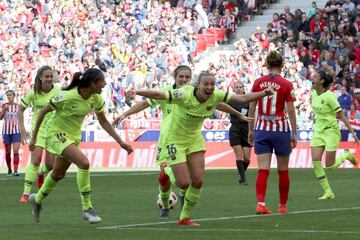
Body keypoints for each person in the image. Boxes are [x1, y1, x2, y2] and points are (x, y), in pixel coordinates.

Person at [128, 71, 274, 226]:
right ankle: (166, 170)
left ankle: (184, 217)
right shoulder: (184, 94)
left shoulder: (215, 95)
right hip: (175, 141)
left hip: (194, 140)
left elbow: (241, 98)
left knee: (197, 181)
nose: (210, 87)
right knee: (183, 183)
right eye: (206, 84)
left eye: (212, 84)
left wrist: (264, 93)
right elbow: (159, 95)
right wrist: (136, 92)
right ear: (198, 85)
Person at [28, 68, 133, 224]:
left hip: (74, 137)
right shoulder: (67, 96)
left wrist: (121, 142)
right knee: (84, 163)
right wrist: (34, 137)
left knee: (58, 174)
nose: (104, 84)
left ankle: (37, 199)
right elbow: (43, 112)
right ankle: (87, 208)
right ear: (92, 84)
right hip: (56, 134)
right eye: (102, 81)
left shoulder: (96, 99)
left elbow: (103, 122)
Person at [248, 51, 297, 215]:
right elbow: (290, 110)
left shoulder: (257, 82)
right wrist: (294, 133)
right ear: (282, 65)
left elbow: (252, 107)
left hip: (261, 129)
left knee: (263, 169)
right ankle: (282, 206)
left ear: (267, 65)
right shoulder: (287, 84)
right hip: (281, 130)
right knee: (283, 170)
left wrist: (250, 129)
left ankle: (260, 203)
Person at [311, 69, 359, 200]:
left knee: (330, 166)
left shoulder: (331, 97)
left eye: (315, 76)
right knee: (315, 161)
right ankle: (328, 192)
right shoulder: (313, 94)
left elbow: (341, 115)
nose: (312, 78)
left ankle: (346, 155)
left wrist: (352, 132)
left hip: (331, 131)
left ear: (321, 81)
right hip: (318, 131)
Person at [18, 66, 61, 203]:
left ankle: (41, 172)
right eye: (46, 76)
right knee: (35, 160)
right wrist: (23, 131)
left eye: (51, 76)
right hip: (39, 130)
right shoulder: (33, 93)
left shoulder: (58, 91)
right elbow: (20, 110)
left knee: (50, 165)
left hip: (53, 131)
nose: (49, 79)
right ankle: (26, 193)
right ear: (40, 77)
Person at [229, 81, 252, 185]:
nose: (238, 89)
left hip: (246, 130)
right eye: (236, 87)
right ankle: (243, 179)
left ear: (243, 88)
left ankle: (240, 174)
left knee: (247, 159)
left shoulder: (248, 100)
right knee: (238, 154)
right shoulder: (230, 100)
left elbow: (252, 114)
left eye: (240, 87)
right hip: (235, 129)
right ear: (233, 89)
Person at [0, 89, 21, 176]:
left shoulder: (18, 107)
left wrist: (23, 133)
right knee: (8, 152)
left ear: (14, 96)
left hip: (16, 131)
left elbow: (21, 119)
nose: (9, 97)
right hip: (6, 131)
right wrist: (4, 110)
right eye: (7, 95)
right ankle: (9, 170)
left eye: (10, 95)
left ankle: (16, 170)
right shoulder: (4, 106)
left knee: (16, 151)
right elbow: (0, 117)